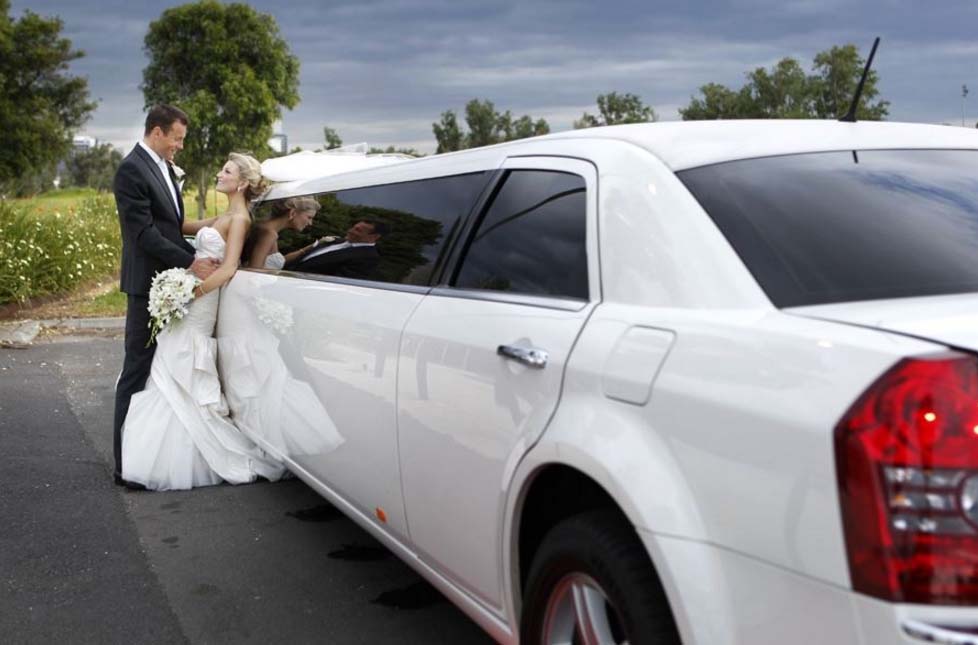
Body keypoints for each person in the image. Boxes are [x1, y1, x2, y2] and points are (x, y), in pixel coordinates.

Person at [120, 152, 286, 491]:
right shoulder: (224, 214)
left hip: (203, 298)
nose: (219, 174)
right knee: (168, 365)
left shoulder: (239, 220)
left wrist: (189, 293)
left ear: (241, 183)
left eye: (226, 171)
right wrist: (166, 189)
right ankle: (165, 451)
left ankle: (191, 454)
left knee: (183, 363)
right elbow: (179, 226)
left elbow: (228, 268)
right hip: (193, 290)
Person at [112, 104, 220, 487]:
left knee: (159, 372)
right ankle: (124, 464)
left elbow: (169, 224)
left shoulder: (162, 167)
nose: (180, 146)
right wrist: (192, 260)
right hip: (147, 286)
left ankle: (148, 455)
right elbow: (142, 234)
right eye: (177, 138)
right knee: (137, 370)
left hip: (170, 286)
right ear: (157, 132)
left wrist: (207, 228)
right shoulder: (131, 170)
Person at [244, 196, 330, 269]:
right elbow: (254, 271)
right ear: (293, 213)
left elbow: (275, 260)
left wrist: (312, 247)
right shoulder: (269, 234)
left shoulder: (267, 229)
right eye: (309, 217)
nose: (310, 223)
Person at [283, 219, 388, 279]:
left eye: (358, 230)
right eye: (353, 227)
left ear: (374, 237)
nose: (350, 231)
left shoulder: (368, 258)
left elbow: (336, 281)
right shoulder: (336, 240)